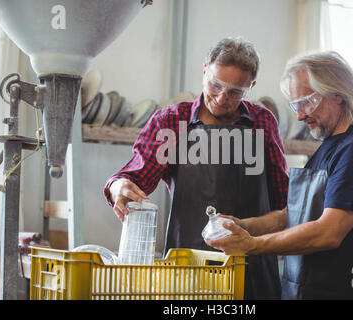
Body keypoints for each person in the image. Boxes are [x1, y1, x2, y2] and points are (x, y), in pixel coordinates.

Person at [104, 37, 289, 299]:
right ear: (204, 70)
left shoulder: (262, 122)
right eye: (215, 84)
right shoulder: (171, 121)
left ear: (251, 86)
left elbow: (284, 201)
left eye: (235, 91)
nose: (222, 98)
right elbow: (136, 176)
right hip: (187, 266)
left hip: (251, 268)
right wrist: (118, 185)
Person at [206, 51, 353, 300]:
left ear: (338, 94)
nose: (300, 115)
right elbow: (294, 214)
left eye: (307, 102)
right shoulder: (330, 146)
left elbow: (329, 232)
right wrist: (244, 226)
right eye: (296, 105)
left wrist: (252, 245)